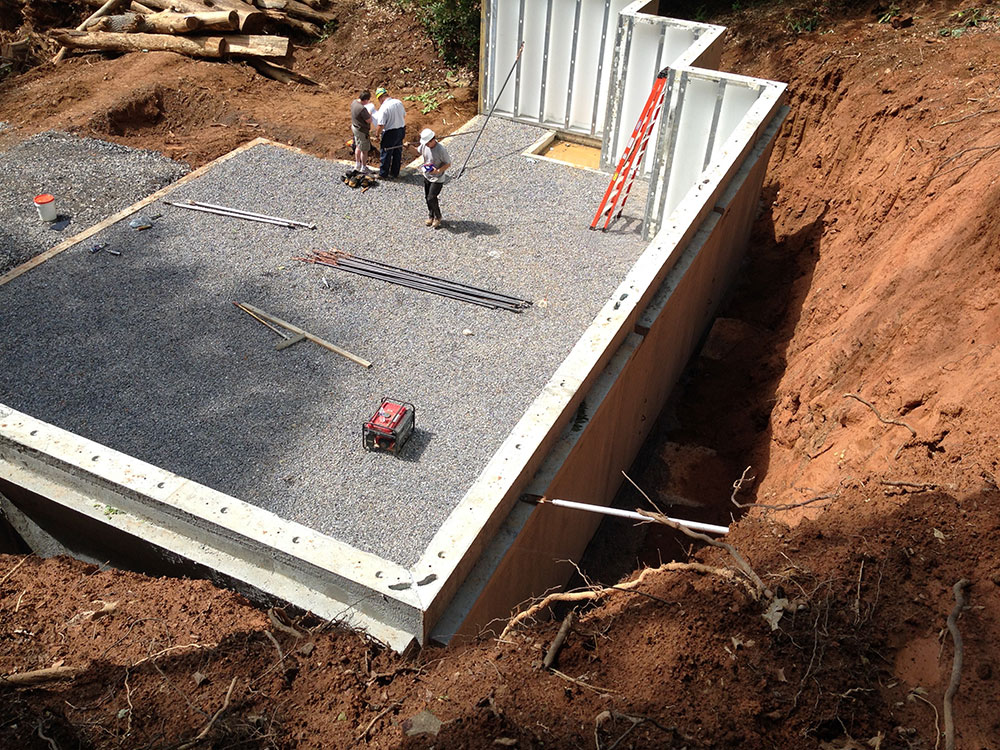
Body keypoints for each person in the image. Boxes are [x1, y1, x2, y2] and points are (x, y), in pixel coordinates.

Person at [411, 128, 451, 228]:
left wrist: (438, 171)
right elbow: (417, 152)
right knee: (427, 197)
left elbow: (448, 163)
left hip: (438, 178)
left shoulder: (441, 150)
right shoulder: (425, 145)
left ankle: (438, 217)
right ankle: (431, 215)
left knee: (431, 197)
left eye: (428, 143)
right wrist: (408, 147)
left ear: (433, 140)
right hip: (427, 175)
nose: (426, 145)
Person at [373, 86, 406, 178]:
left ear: (380, 98)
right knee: (397, 151)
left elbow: (381, 125)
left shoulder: (384, 108)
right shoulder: (398, 102)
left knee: (386, 152)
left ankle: (383, 174)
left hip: (390, 133)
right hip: (401, 130)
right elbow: (403, 115)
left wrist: (377, 135)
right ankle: (395, 172)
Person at [350, 90, 374, 174]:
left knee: (358, 146)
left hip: (355, 128)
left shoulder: (353, 103)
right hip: (362, 131)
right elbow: (369, 120)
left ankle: (357, 164)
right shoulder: (362, 109)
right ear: (365, 100)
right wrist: (370, 113)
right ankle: (363, 168)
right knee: (364, 150)